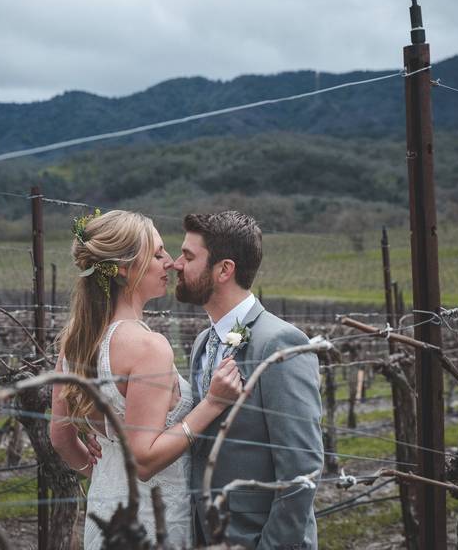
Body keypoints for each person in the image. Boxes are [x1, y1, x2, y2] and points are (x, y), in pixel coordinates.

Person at [48, 210, 243, 549]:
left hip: (104, 513)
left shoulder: (76, 343)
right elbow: (144, 460)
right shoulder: (147, 346)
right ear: (124, 268)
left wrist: (106, 478)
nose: (169, 262)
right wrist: (212, 404)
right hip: (152, 523)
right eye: (156, 253)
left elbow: (60, 437)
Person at [172, 211, 323, 549]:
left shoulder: (281, 342)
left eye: (189, 256)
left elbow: (302, 468)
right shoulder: (202, 342)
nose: (176, 264)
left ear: (224, 270)